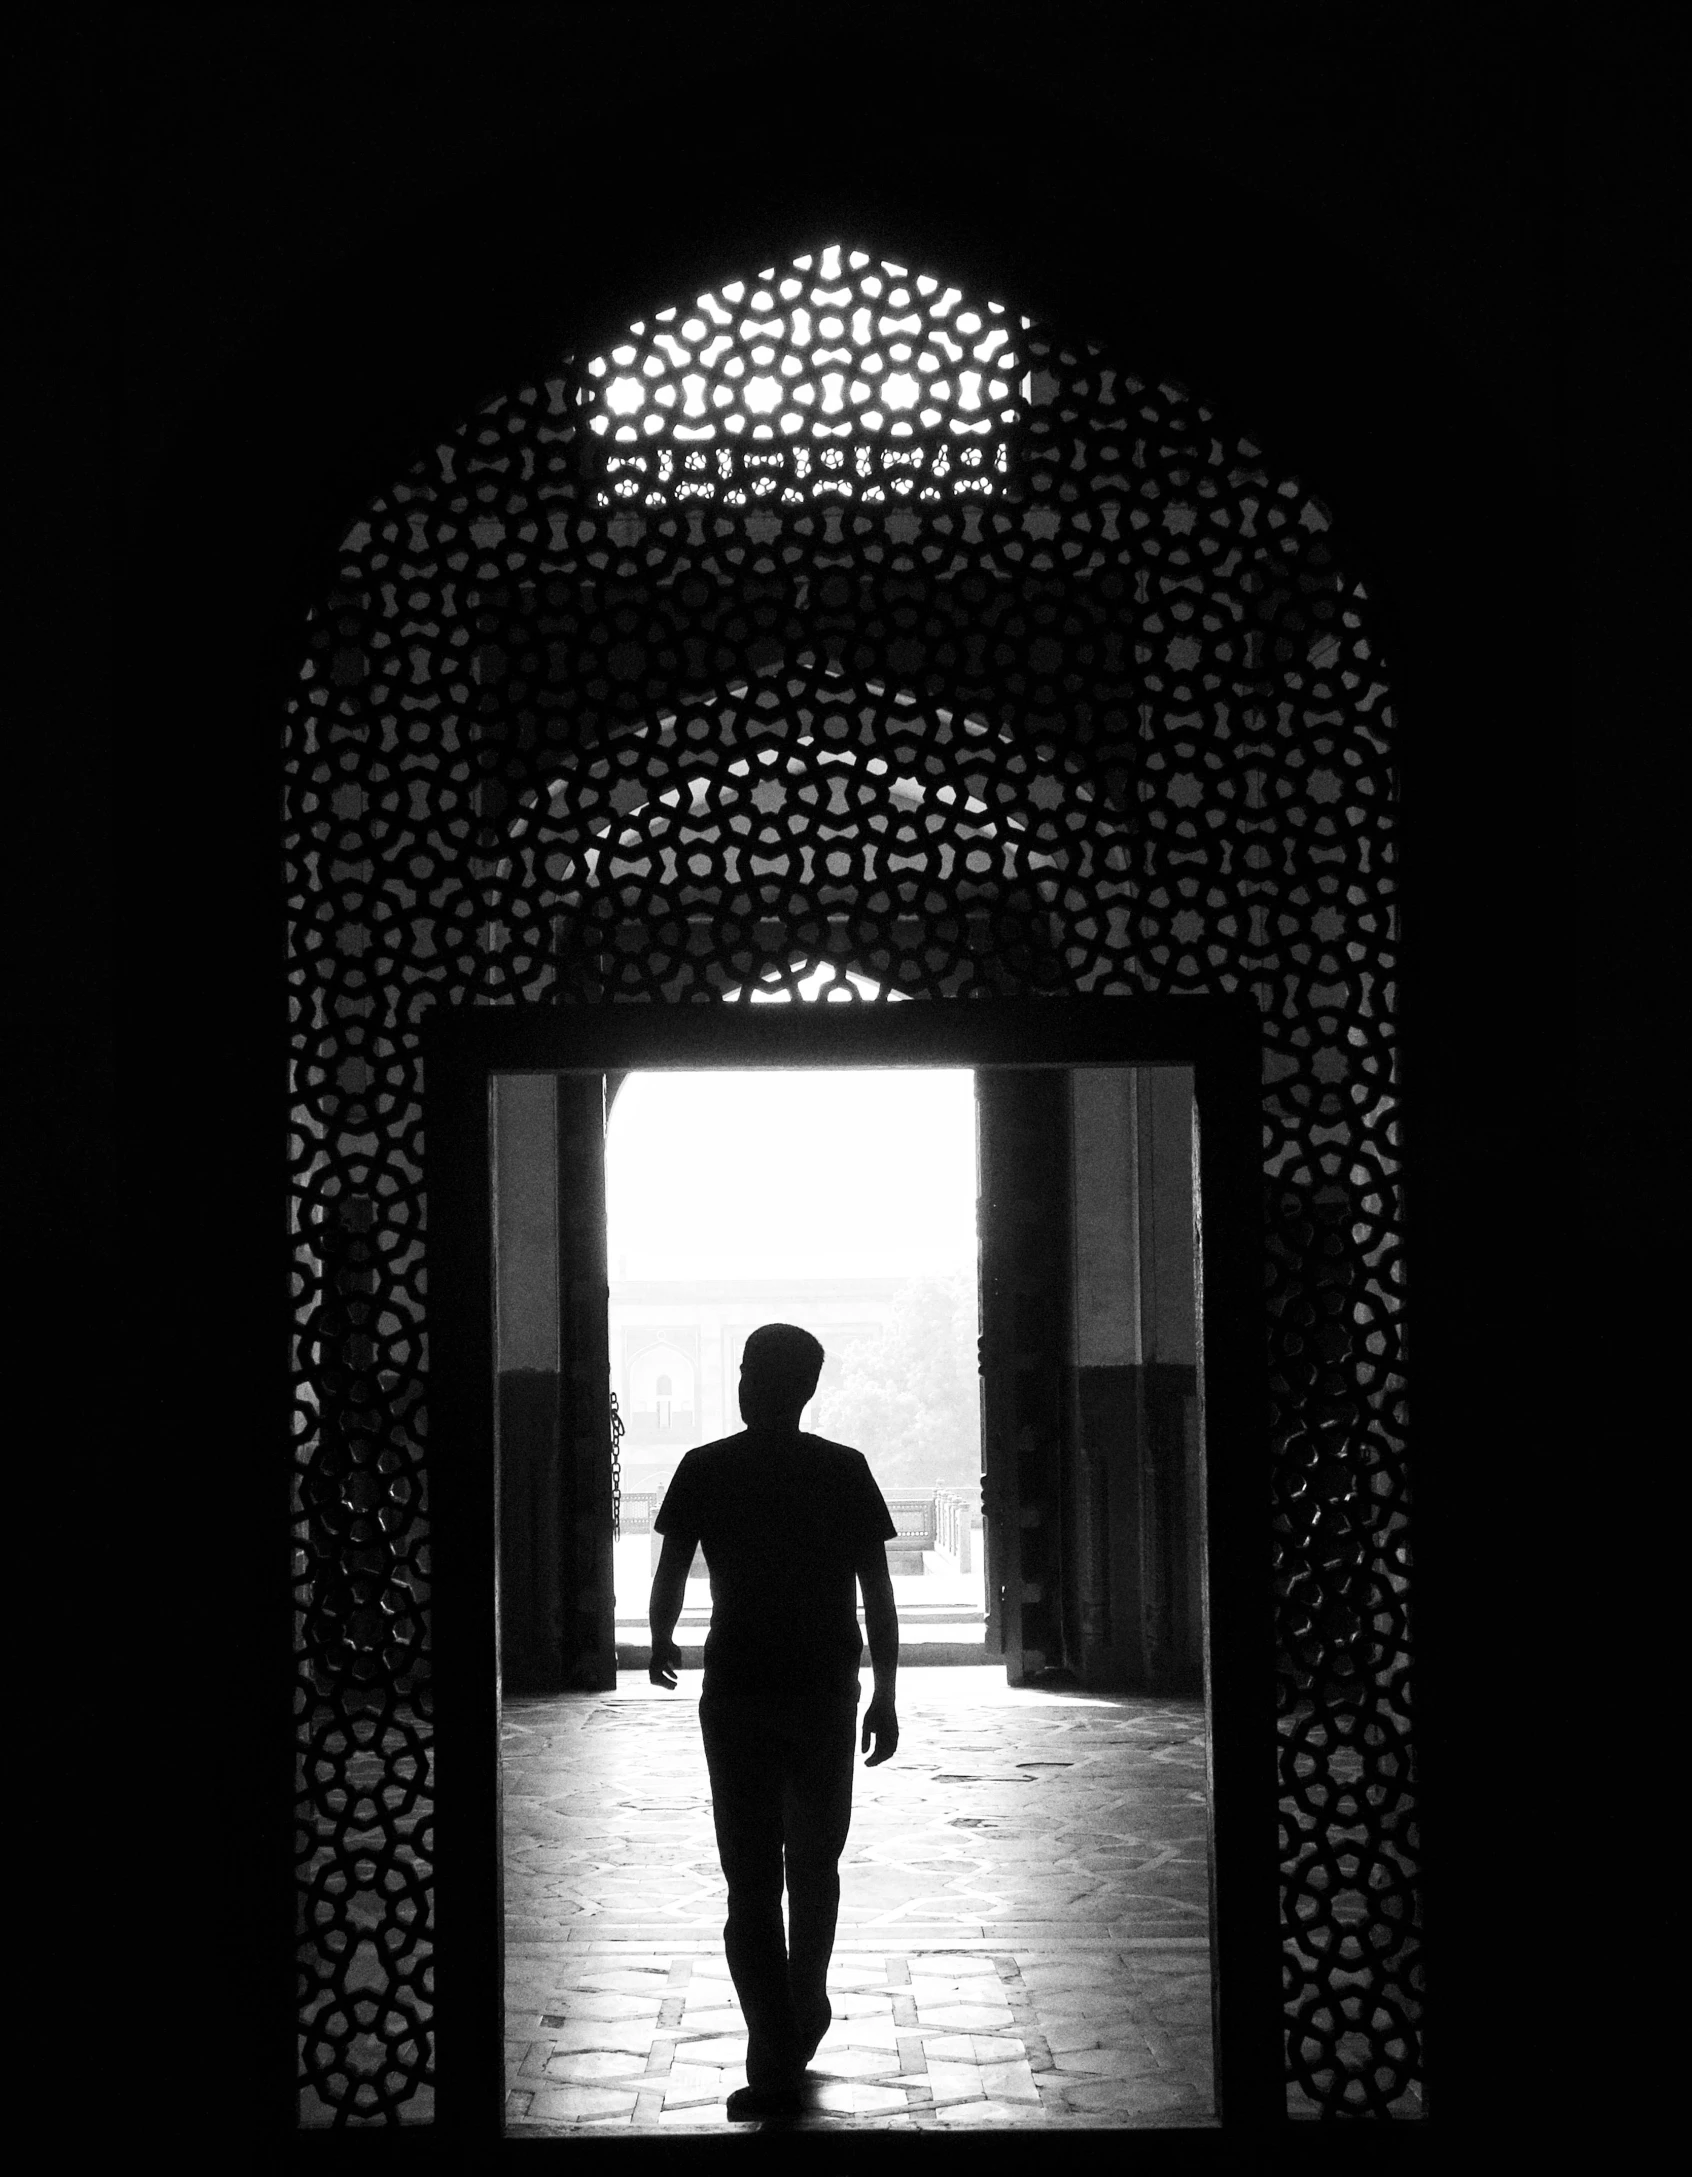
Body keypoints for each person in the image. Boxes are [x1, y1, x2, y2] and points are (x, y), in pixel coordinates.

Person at [648, 1322, 900, 2121]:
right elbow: (877, 1595)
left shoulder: (705, 1468)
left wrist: (662, 1636)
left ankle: (774, 2046)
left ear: (755, 1381)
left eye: (751, 1369)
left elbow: (672, 1570)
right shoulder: (842, 1470)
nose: (746, 1381)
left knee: (750, 1879)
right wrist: (884, 1690)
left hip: (739, 1687)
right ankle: (801, 2013)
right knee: (814, 1863)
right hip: (824, 1685)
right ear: (809, 1388)